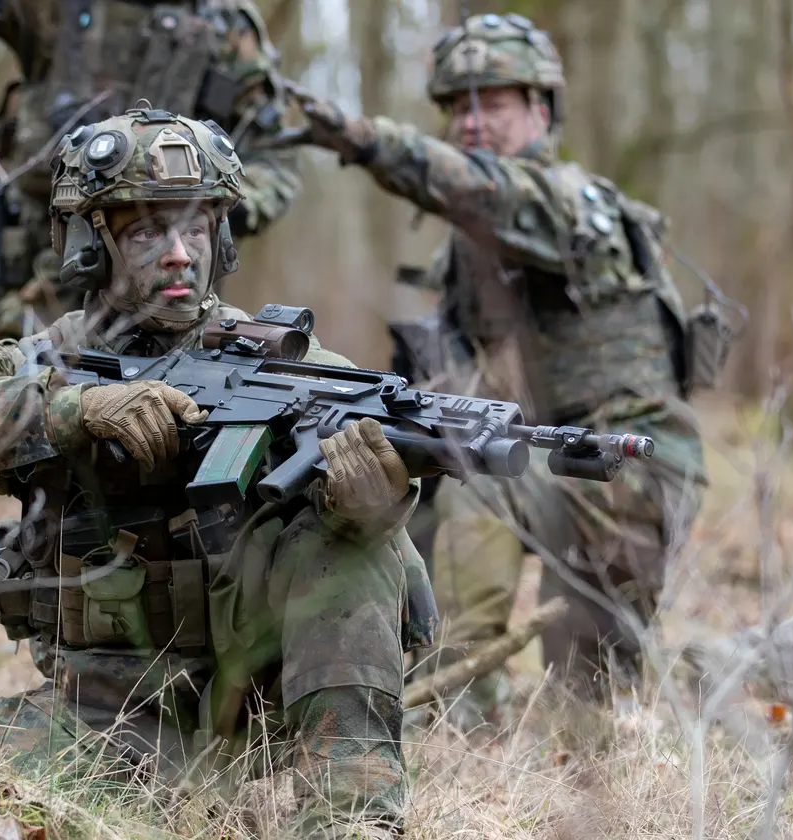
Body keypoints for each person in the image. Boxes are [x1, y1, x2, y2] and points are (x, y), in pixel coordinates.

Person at [0, 108, 418, 839]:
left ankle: (351, 818)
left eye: (198, 230)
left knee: (354, 546)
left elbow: (380, 483)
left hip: (262, 712)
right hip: (101, 716)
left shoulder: (295, 370)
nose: (180, 255)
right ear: (92, 246)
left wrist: (374, 503)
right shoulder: (50, 361)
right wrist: (72, 411)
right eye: (147, 233)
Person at [287, 13, 724, 725]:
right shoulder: (470, 249)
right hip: (545, 457)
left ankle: (742, 663)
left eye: (492, 103)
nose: (471, 122)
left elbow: (481, 191)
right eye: (458, 107)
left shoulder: (569, 205)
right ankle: (453, 698)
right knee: (425, 482)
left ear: (541, 112)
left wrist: (364, 138)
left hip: (630, 467)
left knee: (587, 705)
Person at [0, 0, 302, 342]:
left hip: (167, 297)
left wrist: (214, 209)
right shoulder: (52, 9)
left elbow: (274, 153)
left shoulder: (224, 26)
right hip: (39, 276)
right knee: (25, 382)